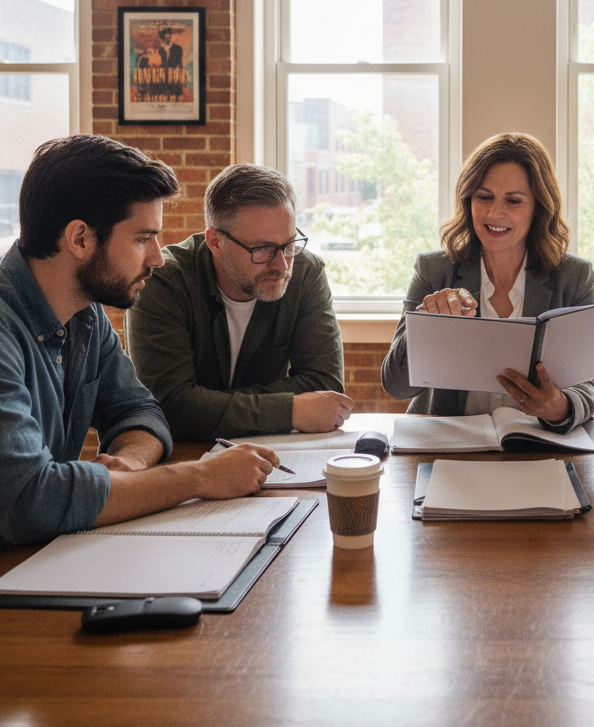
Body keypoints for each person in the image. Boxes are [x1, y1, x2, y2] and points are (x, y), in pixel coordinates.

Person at [0, 134, 280, 547]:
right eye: (142, 238)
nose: (157, 258)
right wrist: (200, 476)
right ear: (80, 238)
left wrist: (130, 462)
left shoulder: (85, 315)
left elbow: (140, 410)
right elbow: (30, 499)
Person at [381, 132, 594, 431]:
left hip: (537, 446)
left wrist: (558, 407)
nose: (495, 213)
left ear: (538, 207)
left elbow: (592, 386)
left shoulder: (574, 277)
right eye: (484, 197)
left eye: (513, 201)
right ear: (468, 199)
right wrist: (426, 324)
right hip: (451, 445)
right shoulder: (434, 270)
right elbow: (396, 386)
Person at [125, 163, 350, 441]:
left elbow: (325, 386)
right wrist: (288, 410)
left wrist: (208, 405)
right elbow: (169, 405)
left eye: (289, 244)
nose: (281, 264)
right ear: (216, 242)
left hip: (274, 452)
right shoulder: (164, 282)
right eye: (262, 249)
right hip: (184, 457)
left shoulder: (305, 273)